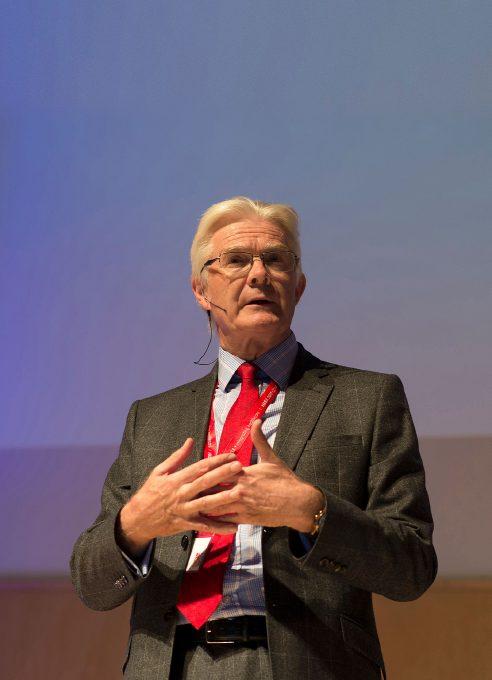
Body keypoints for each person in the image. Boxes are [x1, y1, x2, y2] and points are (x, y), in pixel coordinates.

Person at [70, 196, 437, 680]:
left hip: (305, 664)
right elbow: (92, 585)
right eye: (237, 260)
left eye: (277, 260)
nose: (260, 274)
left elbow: (412, 567)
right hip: (173, 664)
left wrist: (312, 511)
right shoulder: (152, 418)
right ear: (201, 289)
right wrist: (135, 525)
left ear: (298, 286)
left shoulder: (366, 399)